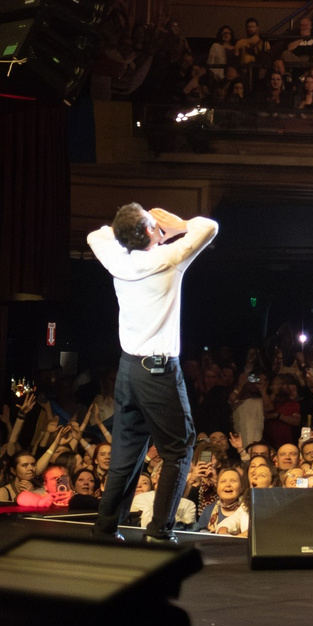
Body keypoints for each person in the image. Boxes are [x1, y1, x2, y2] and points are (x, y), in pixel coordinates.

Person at [87, 201, 221, 543]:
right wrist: (177, 226)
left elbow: (97, 234)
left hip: (128, 371)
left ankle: (105, 528)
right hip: (158, 373)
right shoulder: (168, 259)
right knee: (178, 451)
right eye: (151, 222)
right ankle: (159, 532)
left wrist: (137, 233)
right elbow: (208, 228)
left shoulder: (116, 258)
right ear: (148, 231)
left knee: (125, 454)